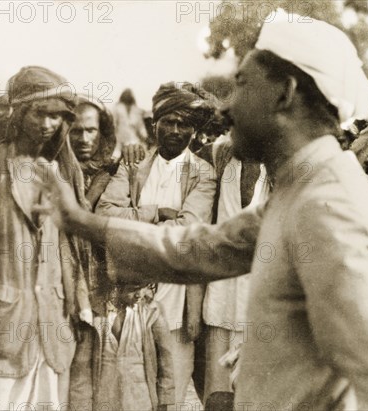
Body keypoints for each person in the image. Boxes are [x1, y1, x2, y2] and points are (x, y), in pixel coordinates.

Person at [34, 8, 368, 410]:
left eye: (241, 84)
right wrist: (81, 222)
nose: (224, 108)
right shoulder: (303, 187)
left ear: (285, 93)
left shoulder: (328, 206)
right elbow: (200, 249)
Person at [0, 66, 91, 409]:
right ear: (21, 111)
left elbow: (72, 248)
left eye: (57, 116)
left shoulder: (60, 171)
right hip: (2, 324)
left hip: (53, 325)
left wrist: (79, 302)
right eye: (41, 113)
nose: (48, 124)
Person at [96, 81, 217, 406]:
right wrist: (156, 212)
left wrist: (133, 223)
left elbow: (188, 229)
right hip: (130, 297)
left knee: (170, 394)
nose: (176, 130)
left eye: (185, 124)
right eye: (169, 121)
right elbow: (107, 213)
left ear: (194, 131)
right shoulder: (133, 165)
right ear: (155, 124)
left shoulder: (203, 174)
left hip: (176, 301)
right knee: (130, 392)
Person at [197, 133, 270, 402]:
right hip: (221, 293)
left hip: (261, 299)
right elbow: (173, 157)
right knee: (217, 393)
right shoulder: (219, 157)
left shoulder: (281, 166)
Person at [79, 283, 175, 411]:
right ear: (115, 286)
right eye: (133, 289)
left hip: (141, 402)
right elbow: (82, 371)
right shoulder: (94, 314)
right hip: (104, 401)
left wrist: (163, 401)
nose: (139, 294)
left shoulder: (152, 311)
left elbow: (166, 361)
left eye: (143, 287)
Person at [112, 88, 149, 159]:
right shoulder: (117, 108)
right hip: (120, 140)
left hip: (133, 140)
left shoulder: (136, 110)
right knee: (115, 157)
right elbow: (113, 124)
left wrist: (145, 136)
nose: (127, 96)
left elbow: (140, 126)